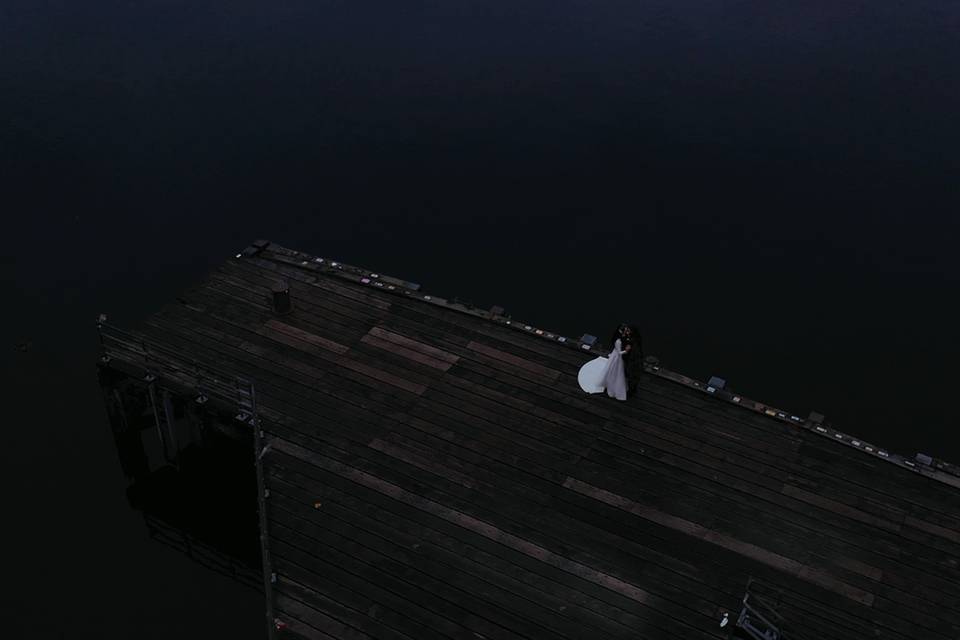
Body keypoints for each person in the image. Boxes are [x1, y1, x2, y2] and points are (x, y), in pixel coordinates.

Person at [577, 323, 638, 401]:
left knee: (615, 370)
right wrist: (626, 350)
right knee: (616, 370)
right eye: (625, 330)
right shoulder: (618, 341)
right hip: (617, 357)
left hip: (616, 356)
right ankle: (613, 385)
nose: (627, 332)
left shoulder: (622, 338)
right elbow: (619, 352)